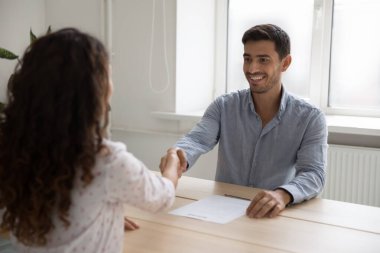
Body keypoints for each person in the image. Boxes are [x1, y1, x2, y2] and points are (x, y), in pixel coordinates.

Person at [0, 28, 185, 253]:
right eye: (108, 76)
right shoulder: (106, 160)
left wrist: (102, 215)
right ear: (93, 92)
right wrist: (172, 168)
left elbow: (61, 204)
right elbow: (162, 197)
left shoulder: (14, 148)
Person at [161, 24, 327, 219]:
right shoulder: (223, 106)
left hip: (273, 215)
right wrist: (177, 157)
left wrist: (282, 195)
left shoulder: (310, 118)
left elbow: (313, 173)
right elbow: (196, 140)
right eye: (247, 59)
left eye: (263, 60)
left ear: (285, 63)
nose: (252, 68)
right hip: (221, 212)